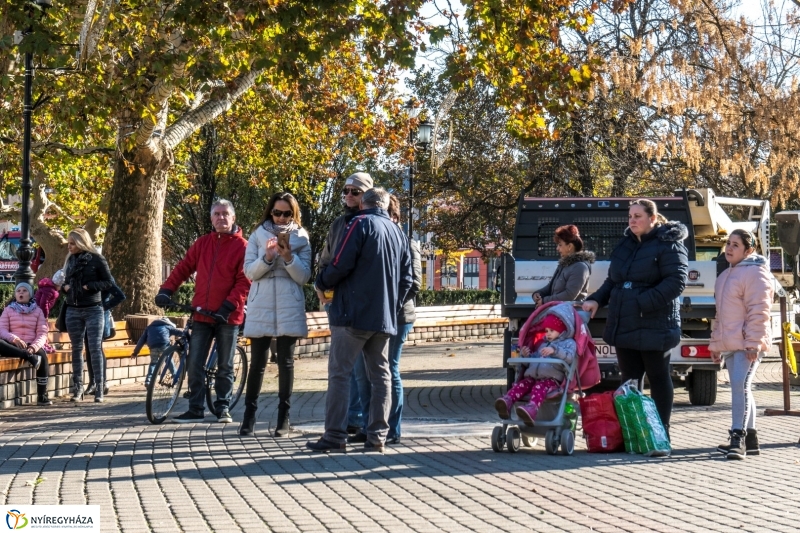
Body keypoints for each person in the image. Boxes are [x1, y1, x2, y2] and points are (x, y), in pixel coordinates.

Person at [307, 187, 413, 453]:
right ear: (386, 205)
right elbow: (408, 280)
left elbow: (341, 263)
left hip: (351, 315)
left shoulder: (359, 224)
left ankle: (334, 436)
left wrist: (321, 281)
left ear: (364, 203)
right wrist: (392, 305)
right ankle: (377, 437)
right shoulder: (398, 232)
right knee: (381, 376)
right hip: (383, 318)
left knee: (340, 375)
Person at [582, 199, 688, 435]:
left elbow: (676, 282)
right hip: (625, 321)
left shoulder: (668, 244)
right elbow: (613, 281)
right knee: (629, 380)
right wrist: (596, 299)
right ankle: (634, 432)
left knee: (658, 377)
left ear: (652, 218)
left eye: (638, 216)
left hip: (655, 322)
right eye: (630, 216)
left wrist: (642, 302)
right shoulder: (625, 245)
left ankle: (661, 432)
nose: (632, 220)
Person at [156, 199, 250, 424]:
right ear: (211, 219)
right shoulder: (202, 243)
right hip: (202, 313)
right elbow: (183, 267)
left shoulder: (243, 246)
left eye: (225, 214)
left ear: (233, 218)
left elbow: (244, 280)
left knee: (225, 364)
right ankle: (195, 408)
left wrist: (228, 305)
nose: (221, 218)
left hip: (228, 316)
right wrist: (166, 290)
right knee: (195, 361)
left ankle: (223, 406)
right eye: (216, 214)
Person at [349, 194, 421, 446]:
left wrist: (390, 304)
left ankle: (392, 428)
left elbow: (413, 284)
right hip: (373, 316)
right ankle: (370, 426)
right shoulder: (373, 236)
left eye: (388, 214)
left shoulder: (406, 241)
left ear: (395, 216)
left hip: (398, 317)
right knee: (363, 373)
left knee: (388, 370)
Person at [241, 192, 312, 437]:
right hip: (261, 302)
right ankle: (248, 419)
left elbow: (304, 277)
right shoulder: (257, 234)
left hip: (289, 303)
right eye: (277, 212)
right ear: (270, 212)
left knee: (286, 363)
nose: (281, 218)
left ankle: (284, 418)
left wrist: (288, 257)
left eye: (286, 213)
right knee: (257, 364)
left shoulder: (302, 238)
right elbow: (249, 272)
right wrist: (268, 257)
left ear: (294, 214)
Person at [317, 172, 374, 434]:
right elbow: (327, 259)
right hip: (337, 303)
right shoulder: (339, 224)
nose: (349, 195)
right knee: (344, 368)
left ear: (368, 194)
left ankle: (365, 419)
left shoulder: (369, 223)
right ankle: (351, 417)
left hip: (362, 306)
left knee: (364, 370)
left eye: (355, 191)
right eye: (346, 191)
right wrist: (322, 286)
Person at [710, 229, 774, 459]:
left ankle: (738, 437)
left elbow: (760, 312)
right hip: (730, 344)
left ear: (749, 250)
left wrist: (754, 343)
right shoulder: (725, 275)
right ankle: (752, 440)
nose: (729, 248)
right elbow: (719, 315)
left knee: (740, 385)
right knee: (740, 387)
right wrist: (716, 345)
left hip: (749, 344)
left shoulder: (756, 273)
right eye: (728, 243)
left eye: (735, 245)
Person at [495, 311, 576, 426]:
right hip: (534, 376)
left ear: (561, 330)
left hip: (551, 379)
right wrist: (526, 356)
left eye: (551, 331)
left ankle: (532, 408)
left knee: (539, 387)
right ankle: (507, 402)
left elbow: (569, 357)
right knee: (521, 384)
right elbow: (534, 361)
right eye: (546, 331)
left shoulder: (568, 343)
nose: (548, 334)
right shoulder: (543, 344)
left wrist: (555, 351)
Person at [61, 228, 114, 403]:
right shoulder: (70, 260)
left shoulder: (97, 259)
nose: (69, 246)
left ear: (82, 243)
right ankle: (77, 388)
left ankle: (99, 387)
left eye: (72, 243)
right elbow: (65, 281)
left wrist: (90, 286)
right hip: (73, 309)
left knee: (94, 348)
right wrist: (65, 288)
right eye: (68, 243)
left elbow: (108, 282)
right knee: (76, 349)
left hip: (93, 309)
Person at [0, 282, 51, 405]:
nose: (21, 293)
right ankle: (27, 356)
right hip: (14, 344)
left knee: (42, 356)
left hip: (32, 344)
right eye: (18, 291)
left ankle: (42, 395)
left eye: (24, 291)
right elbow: (2, 330)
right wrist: (14, 339)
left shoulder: (38, 311)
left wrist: (33, 347)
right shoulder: (8, 310)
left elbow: (42, 333)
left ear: (30, 294)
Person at [534, 225, 595, 305]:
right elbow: (550, 287)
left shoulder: (580, 267)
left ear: (569, 246)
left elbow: (569, 295)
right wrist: (538, 294)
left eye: (560, 245)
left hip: (572, 313)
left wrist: (545, 300)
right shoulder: (563, 265)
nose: (557, 249)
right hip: (558, 310)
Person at [85, 276, 126, 396]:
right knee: (89, 348)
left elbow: (120, 296)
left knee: (96, 348)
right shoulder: (88, 275)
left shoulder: (105, 278)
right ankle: (93, 382)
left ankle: (101, 382)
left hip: (100, 317)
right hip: (88, 316)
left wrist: (103, 307)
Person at [131, 317, 183, 386]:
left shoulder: (149, 328)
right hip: (164, 344)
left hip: (153, 346)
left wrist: (135, 352)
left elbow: (141, 340)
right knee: (168, 360)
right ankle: (175, 376)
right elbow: (179, 333)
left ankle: (148, 381)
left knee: (153, 363)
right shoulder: (167, 326)